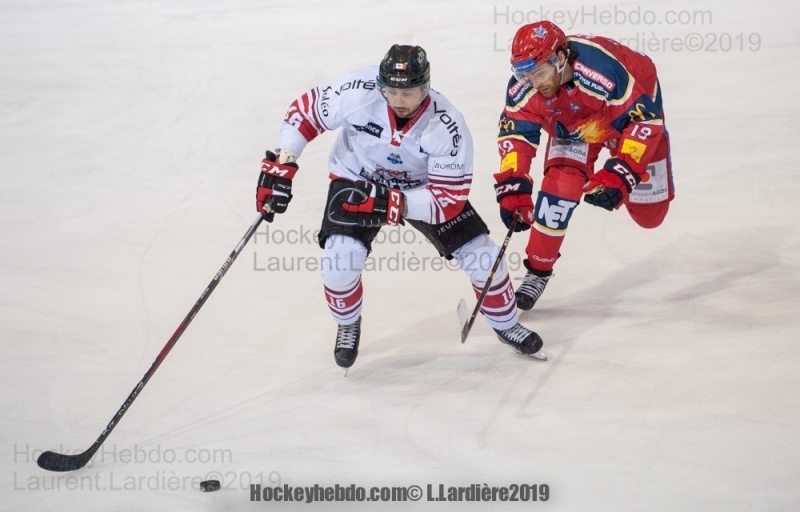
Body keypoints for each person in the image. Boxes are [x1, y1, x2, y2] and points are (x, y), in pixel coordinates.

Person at [256, 44, 545, 372]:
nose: (399, 100)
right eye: (391, 91)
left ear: (426, 87)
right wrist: (282, 162)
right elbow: (304, 112)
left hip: (422, 188)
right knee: (338, 263)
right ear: (380, 85)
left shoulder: (447, 124)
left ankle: (507, 325)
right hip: (357, 178)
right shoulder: (358, 91)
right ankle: (348, 324)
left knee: (485, 258)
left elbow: (447, 201)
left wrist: (394, 203)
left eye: (409, 92)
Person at [494, 21, 674, 310]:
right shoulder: (524, 86)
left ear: (560, 58)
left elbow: (645, 121)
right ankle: (538, 271)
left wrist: (623, 171)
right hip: (573, 121)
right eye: (524, 74)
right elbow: (515, 137)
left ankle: (639, 152)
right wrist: (514, 183)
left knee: (650, 216)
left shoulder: (603, 74)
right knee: (559, 189)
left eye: (539, 73)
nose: (534, 83)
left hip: (628, 117)